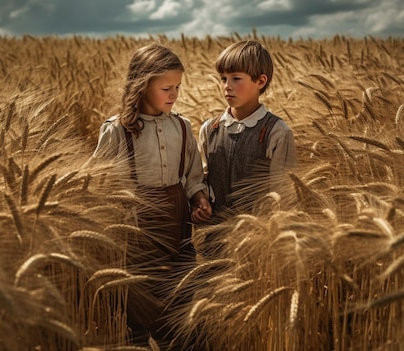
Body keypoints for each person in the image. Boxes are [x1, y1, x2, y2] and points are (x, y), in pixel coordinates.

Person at [91, 43, 212, 347]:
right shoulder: (117, 131)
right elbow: (100, 185)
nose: (174, 94)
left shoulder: (182, 127)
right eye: (166, 87)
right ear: (142, 86)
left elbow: (192, 178)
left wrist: (199, 200)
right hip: (135, 234)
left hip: (178, 229)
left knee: (181, 308)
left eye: (178, 87)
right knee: (140, 313)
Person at [198, 39, 297, 220]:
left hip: (259, 238)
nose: (227, 85)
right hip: (214, 239)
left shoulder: (277, 132)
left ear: (260, 81)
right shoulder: (209, 129)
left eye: (236, 78)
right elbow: (201, 182)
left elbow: (282, 196)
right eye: (223, 79)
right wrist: (200, 205)